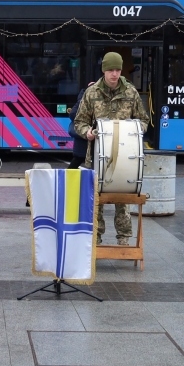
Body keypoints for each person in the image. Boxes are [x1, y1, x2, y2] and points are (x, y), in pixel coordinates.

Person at [73, 52, 150, 246]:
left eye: (117, 70)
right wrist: (87, 132)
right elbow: (79, 121)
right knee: (96, 200)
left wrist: (135, 129)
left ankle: (123, 239)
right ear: (104, 70)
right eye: (110, 70)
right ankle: (95, 239)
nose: (114, 74)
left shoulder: (130, 92)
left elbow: (144, 120)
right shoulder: (92, 93)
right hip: (97, 156)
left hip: (124, 157)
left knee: (122, 200)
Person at [67, 84, 93, 169]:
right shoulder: (83, 99)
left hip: (85, 139)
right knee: (77, 160)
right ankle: (68, 180)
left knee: (77, 161)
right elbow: (73, 114)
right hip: (83, 139)